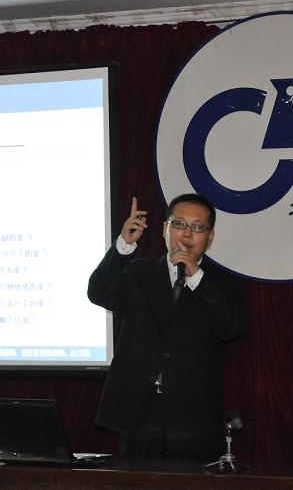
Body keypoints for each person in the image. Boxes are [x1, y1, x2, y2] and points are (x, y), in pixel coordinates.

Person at [87, 193, 249, 462]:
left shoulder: (222, 283)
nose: (187, 234)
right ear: (165, 228)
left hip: (193, 418)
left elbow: (233, 326)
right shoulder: (139, 272)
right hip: (139, 413)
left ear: (210, 237)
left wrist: (197, 277)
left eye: (198, 227)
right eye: (179, 224)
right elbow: (99, 292)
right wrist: (124, 245)